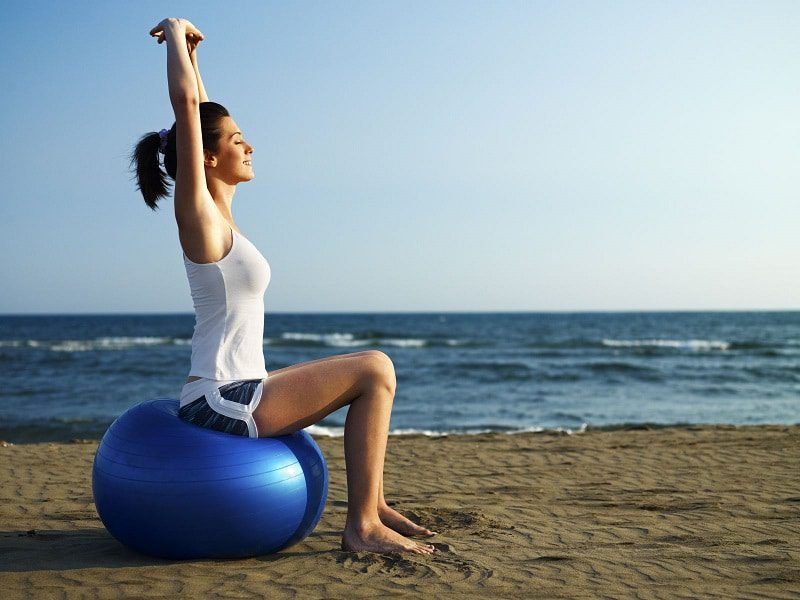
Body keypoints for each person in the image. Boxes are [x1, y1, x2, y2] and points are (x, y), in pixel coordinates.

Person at [129, 17, 437, 555]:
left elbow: (197, 114)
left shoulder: (223, 216)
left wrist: (197, 61)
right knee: (376, 368)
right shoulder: (199, 217)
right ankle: (361, 526)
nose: (250, 148)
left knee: (369, 369)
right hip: (223, 401)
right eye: (238, 141)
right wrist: (176, 36)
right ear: (206, 156)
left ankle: (375, 502)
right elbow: (187, 114)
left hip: (242, 385)